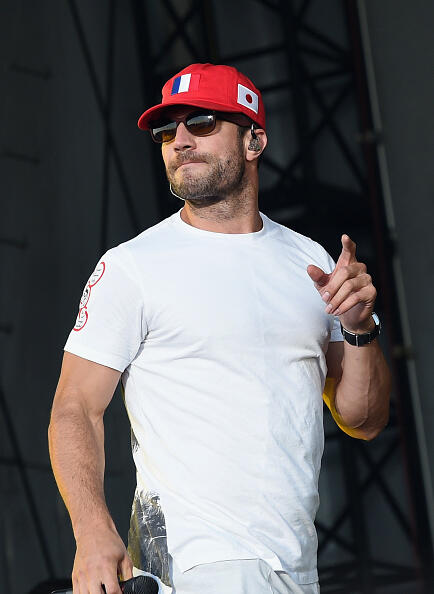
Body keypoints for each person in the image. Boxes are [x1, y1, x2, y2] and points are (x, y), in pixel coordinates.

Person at [48, 63, 391, 594]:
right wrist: (92, 530)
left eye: (201, 123)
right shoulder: (133, 266)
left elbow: (363, 420)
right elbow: (75, 407)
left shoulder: (310, 261)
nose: (179, 141)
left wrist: (360, 328)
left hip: (295, 568)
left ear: (254, 140)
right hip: (195, 564)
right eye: (167, 131)